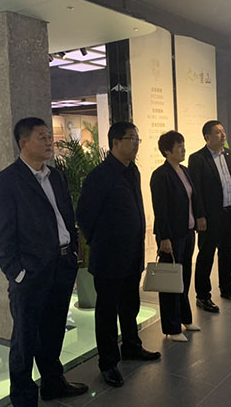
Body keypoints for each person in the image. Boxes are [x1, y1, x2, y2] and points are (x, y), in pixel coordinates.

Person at [0, 117, 88, 407]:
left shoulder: (56, 176)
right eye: (41, 137)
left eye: (49, 137)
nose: (49, 142)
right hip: (30, 274)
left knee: (54, 331)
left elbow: (65, 216)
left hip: (61, 266)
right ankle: (23, 398)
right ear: (23, 143)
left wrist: (72, 254)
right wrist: (17, 273)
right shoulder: (5, 183)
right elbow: (2, 236)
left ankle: (53, 383)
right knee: (25, 339)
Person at [76, 122, 160, 389]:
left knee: (130, 305)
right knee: (107, 312)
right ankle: (108, 363)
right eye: (131, 139)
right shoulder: (99, 176)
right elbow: (84, 216)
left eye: (137, 139)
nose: (135, 144)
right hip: (109, 257)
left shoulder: (132, 170)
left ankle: (132, 346)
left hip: (132, 254)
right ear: (115, 142)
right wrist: (101, 242)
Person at [150, 131, 204, 341]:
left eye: (183, 145)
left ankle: (185, 318)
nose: (183, 149)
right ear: (167, 150)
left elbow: (194, 198)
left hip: (187, 232)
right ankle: (171, 328)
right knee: (170, 282)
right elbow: (160, 209)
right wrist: (164, 237)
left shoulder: (185, 171)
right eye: (179, 146)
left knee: (184, 277)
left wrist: (199, 217)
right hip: (171, 236)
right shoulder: (160, 175)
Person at [188, 120, 231, 312]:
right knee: (206, 255)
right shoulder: (198, 159)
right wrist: (200, 216)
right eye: (218, 132)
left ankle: (227, 289)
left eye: (223, 131)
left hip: (229, 212)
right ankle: (203, 296)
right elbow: (196, 190)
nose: (223, 135)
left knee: (227, 253)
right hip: (210, 216)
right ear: (207, 137)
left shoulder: (230, 155)